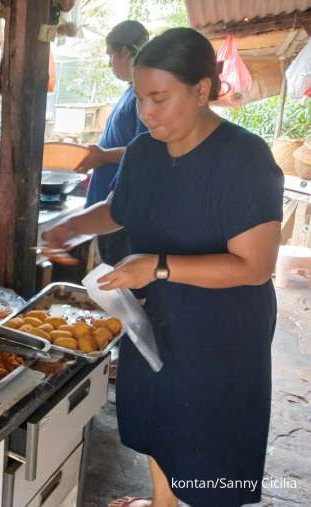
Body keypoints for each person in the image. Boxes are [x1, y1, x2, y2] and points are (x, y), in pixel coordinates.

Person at [43, 27, 283, 507]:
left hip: (222, 329)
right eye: (138, 99)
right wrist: (71, 226)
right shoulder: (144, 150)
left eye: (159, 98)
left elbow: (254, 266)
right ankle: (162, 502)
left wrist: (157, 266)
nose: (146, 113)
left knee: (209, 436)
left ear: (201, 90)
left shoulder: (243, 158)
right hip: (154, 315)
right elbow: (121, 206)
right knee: (159, 417)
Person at [78, 20, 149, 266]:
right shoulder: (130, 91)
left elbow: (146, 151)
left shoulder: (144, 95)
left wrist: (102, 156)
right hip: (106, 206)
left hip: (119, 211)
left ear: (126, 52)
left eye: (111, 55)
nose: (110, 63)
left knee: (119, 285)